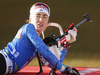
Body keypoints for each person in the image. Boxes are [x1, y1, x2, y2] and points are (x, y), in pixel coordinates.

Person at [0, 2, 78, 75]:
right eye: (37, 16)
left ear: (47, 21)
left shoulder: (37, 42)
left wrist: (66, 43)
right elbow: (44, 51)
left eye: (44, 16)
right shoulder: (29, 27)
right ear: (30, 20)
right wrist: (63, 69)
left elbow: (55, 64)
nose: (41, 20)